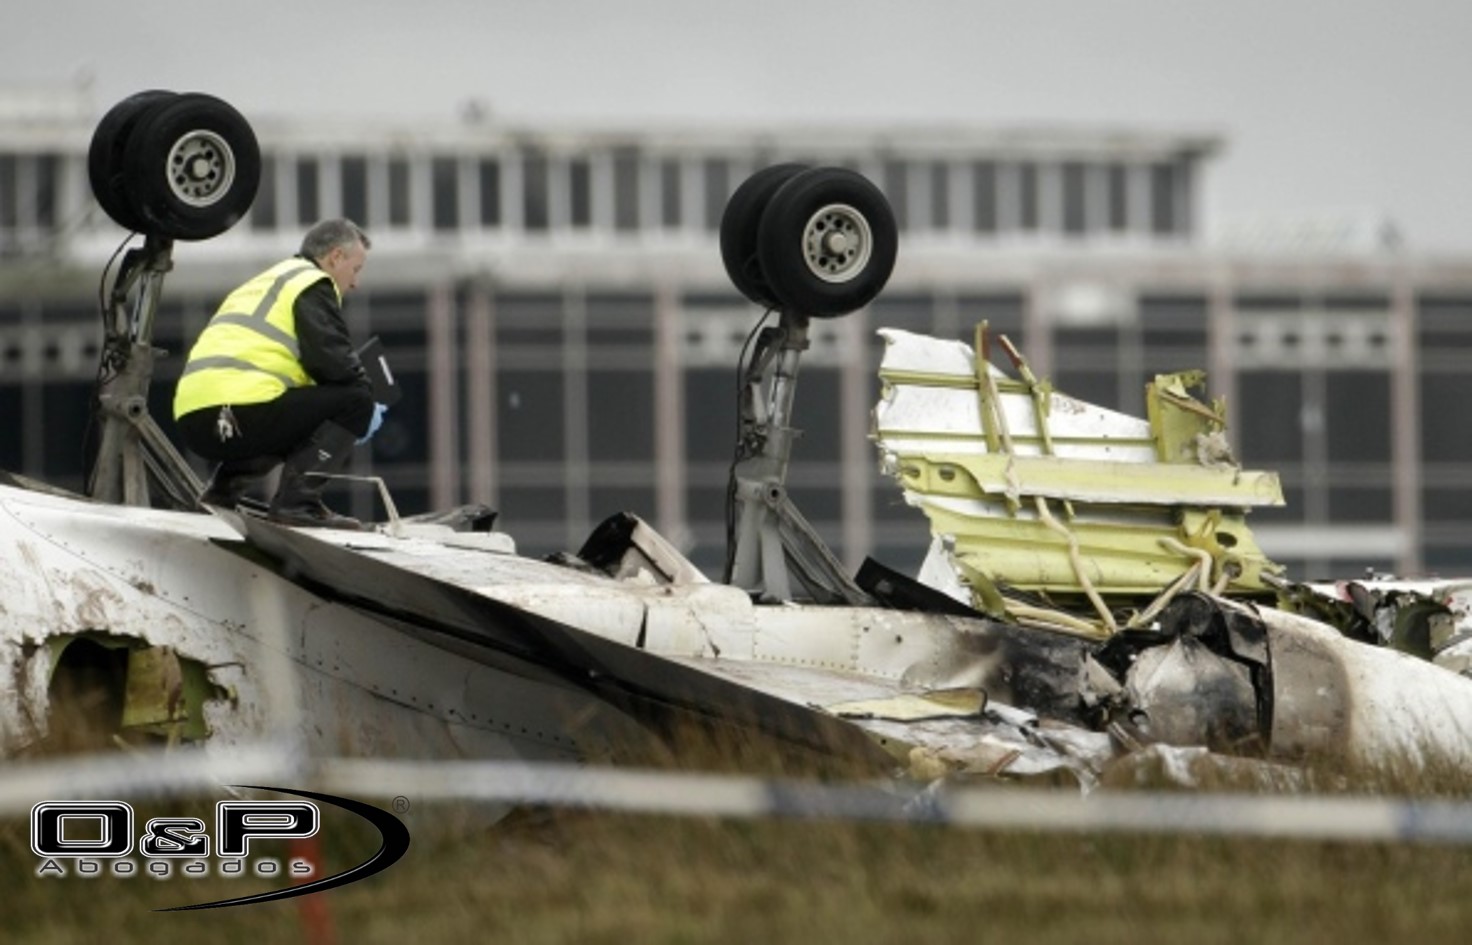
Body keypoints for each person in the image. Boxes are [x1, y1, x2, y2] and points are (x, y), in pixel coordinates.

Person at [173, 218, 387, 529]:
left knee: (296, 415)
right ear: (335, 257)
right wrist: (365, 406)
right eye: (356, 270)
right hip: (242, 411)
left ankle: (222, 493)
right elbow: (334, 362)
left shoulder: (265, 283)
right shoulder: (311, 282)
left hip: (195, 420)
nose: (355, 283)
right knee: (354, 399)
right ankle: (297, 504)